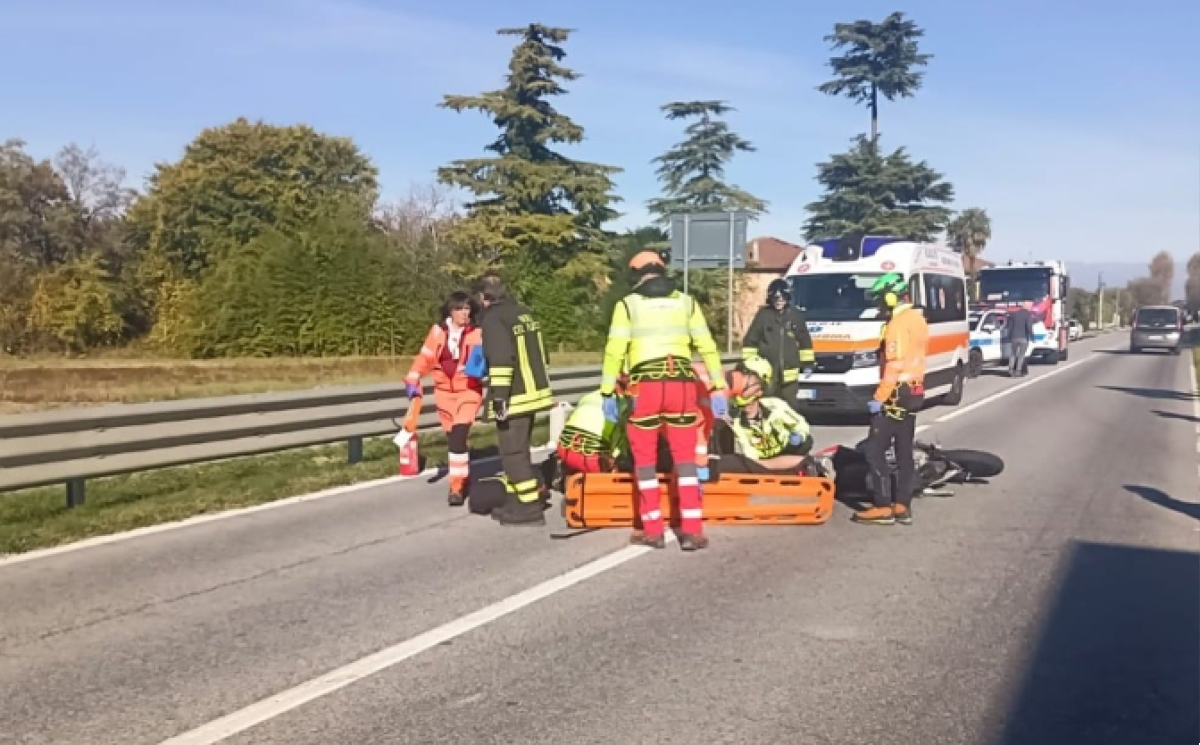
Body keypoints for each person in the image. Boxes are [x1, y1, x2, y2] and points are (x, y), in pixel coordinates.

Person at [599, 250, 728, 551]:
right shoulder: (687, 302)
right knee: (685, 459)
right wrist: (718, 385)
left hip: (645, 387)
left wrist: (607, 390)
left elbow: (614, 349)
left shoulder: (627, 306)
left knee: (644, 460)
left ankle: (653, 529)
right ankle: (693, 530)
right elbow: (706, 345)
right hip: (682, 386)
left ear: (635, 274)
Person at [471, 271, 555, 526]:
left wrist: (499, 398)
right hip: (535, 392)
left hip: (515, 396)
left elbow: (500, 360)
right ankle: (523, 499)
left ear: (483, 297)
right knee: (522, 450)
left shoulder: (494, 319)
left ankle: (528, 509)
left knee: (513, 454)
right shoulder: (523, 312)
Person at [854, 272, 929, 526]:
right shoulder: (917, 319)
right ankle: (903, 505)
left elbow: (894, 364)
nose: (878, 306)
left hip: (896, 394)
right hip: (914, 391)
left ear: (890, 297)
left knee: (874, 451)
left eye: (880, 300)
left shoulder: (897, 324)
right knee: (904, 451)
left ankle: (883, 506)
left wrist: (879, 397)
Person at [404, 291, 484, 506]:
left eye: (467, 308)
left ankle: (456, 486)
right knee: (454, 439)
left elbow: (484, 361)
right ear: (451, 311)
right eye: (460, 309)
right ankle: (463, 473)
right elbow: (425, 358)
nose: (464, 313)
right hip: (443, 394)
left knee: (459, 433)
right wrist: (412, 380)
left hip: (468, 390)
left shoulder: (478, 333)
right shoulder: (438, 332)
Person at [714, 364, 815, 475]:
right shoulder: (737, 422)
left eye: (750, 405)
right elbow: (749, 452)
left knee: (806, 442)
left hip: (788, 450)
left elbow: (799, 423)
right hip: (763, 460)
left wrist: (799, 434)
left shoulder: (775, 405)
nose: (747, 409)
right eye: (743, 407)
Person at [740, 278, 816, 402]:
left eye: (782, 298)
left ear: (787, 298)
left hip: (789, 374)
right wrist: (749, 363)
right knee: (767, 404)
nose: (779, 301)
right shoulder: (763, 315)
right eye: (775, 299)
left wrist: (808, 364)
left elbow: (805, 342)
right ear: (770, 299)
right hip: (767, 372)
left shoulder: (796, 316)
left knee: (790, 407)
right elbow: (750, 341)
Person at [1006, 300, 1035, 377]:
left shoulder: (1014, 314)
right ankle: (1018, 371)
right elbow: (1029, 327)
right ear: (1027, 306)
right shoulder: (1028, 315)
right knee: (1021, 355)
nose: (1031, 308)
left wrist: (1009, 337)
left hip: (1014, 337)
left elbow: (1010, 327)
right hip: (1023, 338)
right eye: (1030, 306)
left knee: (1013, 354)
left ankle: (1010, 370)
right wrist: (1032, 337)